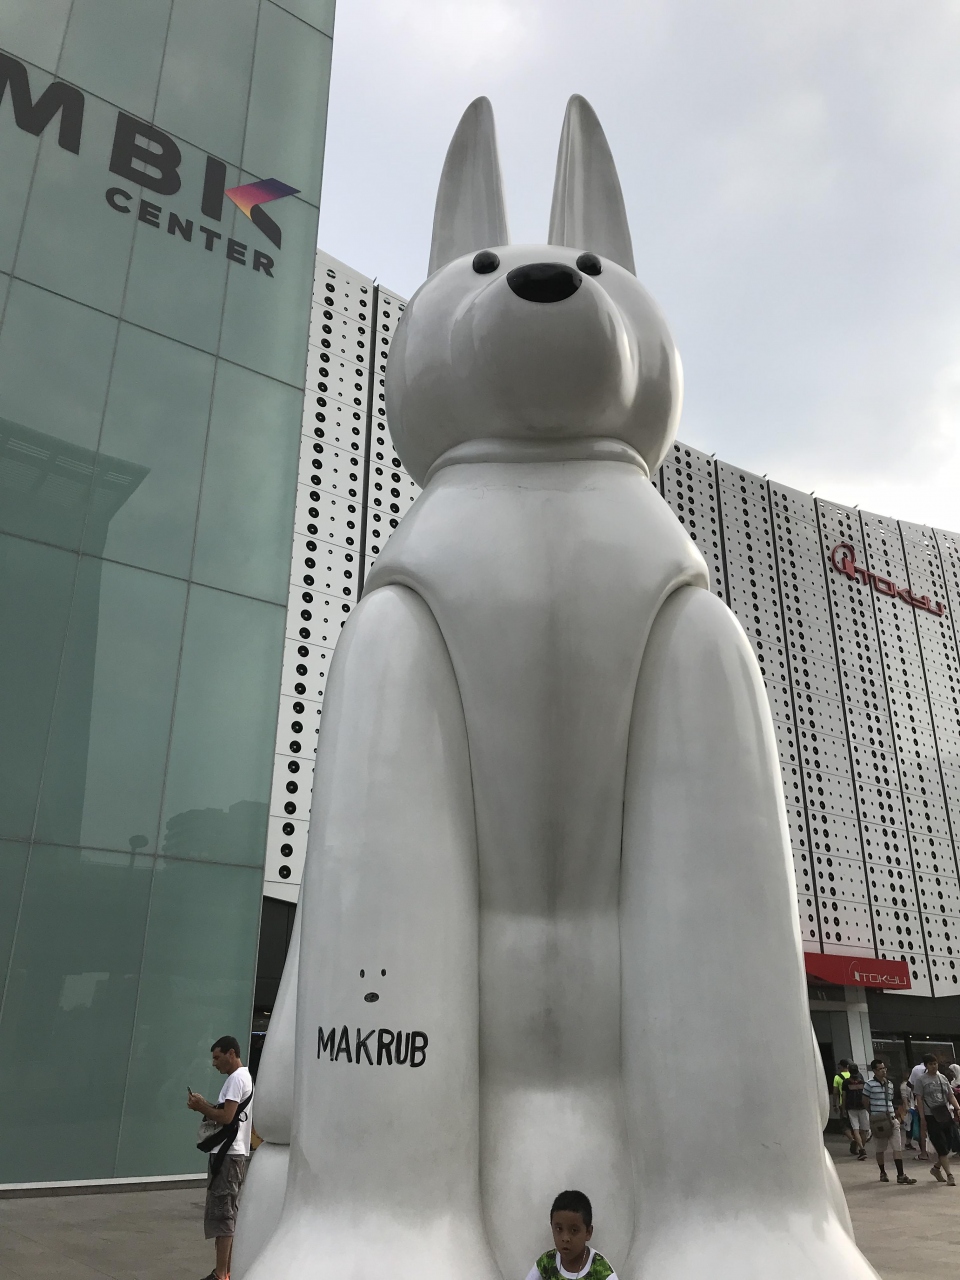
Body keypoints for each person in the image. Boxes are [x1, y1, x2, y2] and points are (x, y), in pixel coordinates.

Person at [187, 1035, 255, 1280]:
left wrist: (200, 1107)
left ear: (231, 1053)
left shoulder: (236, 1079)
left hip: (228, 1154)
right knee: (225, 1211)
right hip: (232, 1154)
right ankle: (224, 1271)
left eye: (217, 1058)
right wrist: (206, 1104)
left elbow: (226, 1117)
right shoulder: (242, 1077)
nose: (214, 1063)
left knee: (223, 1212)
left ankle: (221, 1273)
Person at [525, 1190, 618, 1280]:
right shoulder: (546, 1262)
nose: (565, 1238)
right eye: (559, 1229)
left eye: (574, 1230)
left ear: (588, 1232)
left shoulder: (601, 1269)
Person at [863, 1059, 916, 1185]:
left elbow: (890, 1100)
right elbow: (865, 1102)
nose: (883, 1071)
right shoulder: (869, 1085)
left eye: (884, 1068)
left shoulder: (890, 1084)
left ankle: (901, 1175)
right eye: (880, 1069)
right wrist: (874, 1114)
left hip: (892, 1119)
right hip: (879, 1121)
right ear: (874, 1071)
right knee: (880, 1148)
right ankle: (882, 1172)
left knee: (897, 1147)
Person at [914, 1053, 960, 1186]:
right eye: (931, 1064)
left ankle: (936, 1168)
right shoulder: (921, 1080)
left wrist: (958, 1108)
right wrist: (922, 1118)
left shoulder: (942, 1078)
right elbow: (919, 1100)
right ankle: (950, 1175)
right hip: (931, 1116)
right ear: (926, 1065)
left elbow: (950, 1095)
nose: (934, 1066)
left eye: (935, 1063)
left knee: (950, 1143)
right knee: (940, 1145)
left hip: (944, 1114)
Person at [841, 1069, 870, 1160]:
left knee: (855, 1129)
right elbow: (866, 1096)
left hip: (851, 1109)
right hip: (863, 1108)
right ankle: (862, 1148)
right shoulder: (862, 1082)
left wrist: (843, 1109)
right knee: (864, 1130)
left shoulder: (846, 1083)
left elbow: (844, 1097)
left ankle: (861, 1149)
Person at [832, 1059, 855, 1154]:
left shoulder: (837, 1077)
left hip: (843, 1104)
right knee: (854, 1124)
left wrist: (834, 1104)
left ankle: (852, 1139)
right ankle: (858, 1141)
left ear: (841, 1066)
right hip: (854, 1104)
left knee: (844, 1124)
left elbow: (835, 1092)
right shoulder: (853, 1075)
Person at [899, 1075, 917, 1150]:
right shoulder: (904, 1085)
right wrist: (907, 1107)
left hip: (913, 1107)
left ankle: (908, 1142)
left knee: (911, 1125)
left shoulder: (912, 1084)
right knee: (909, 1125)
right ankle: (907, 1142)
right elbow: (904, 1097)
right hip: (910, 1108)